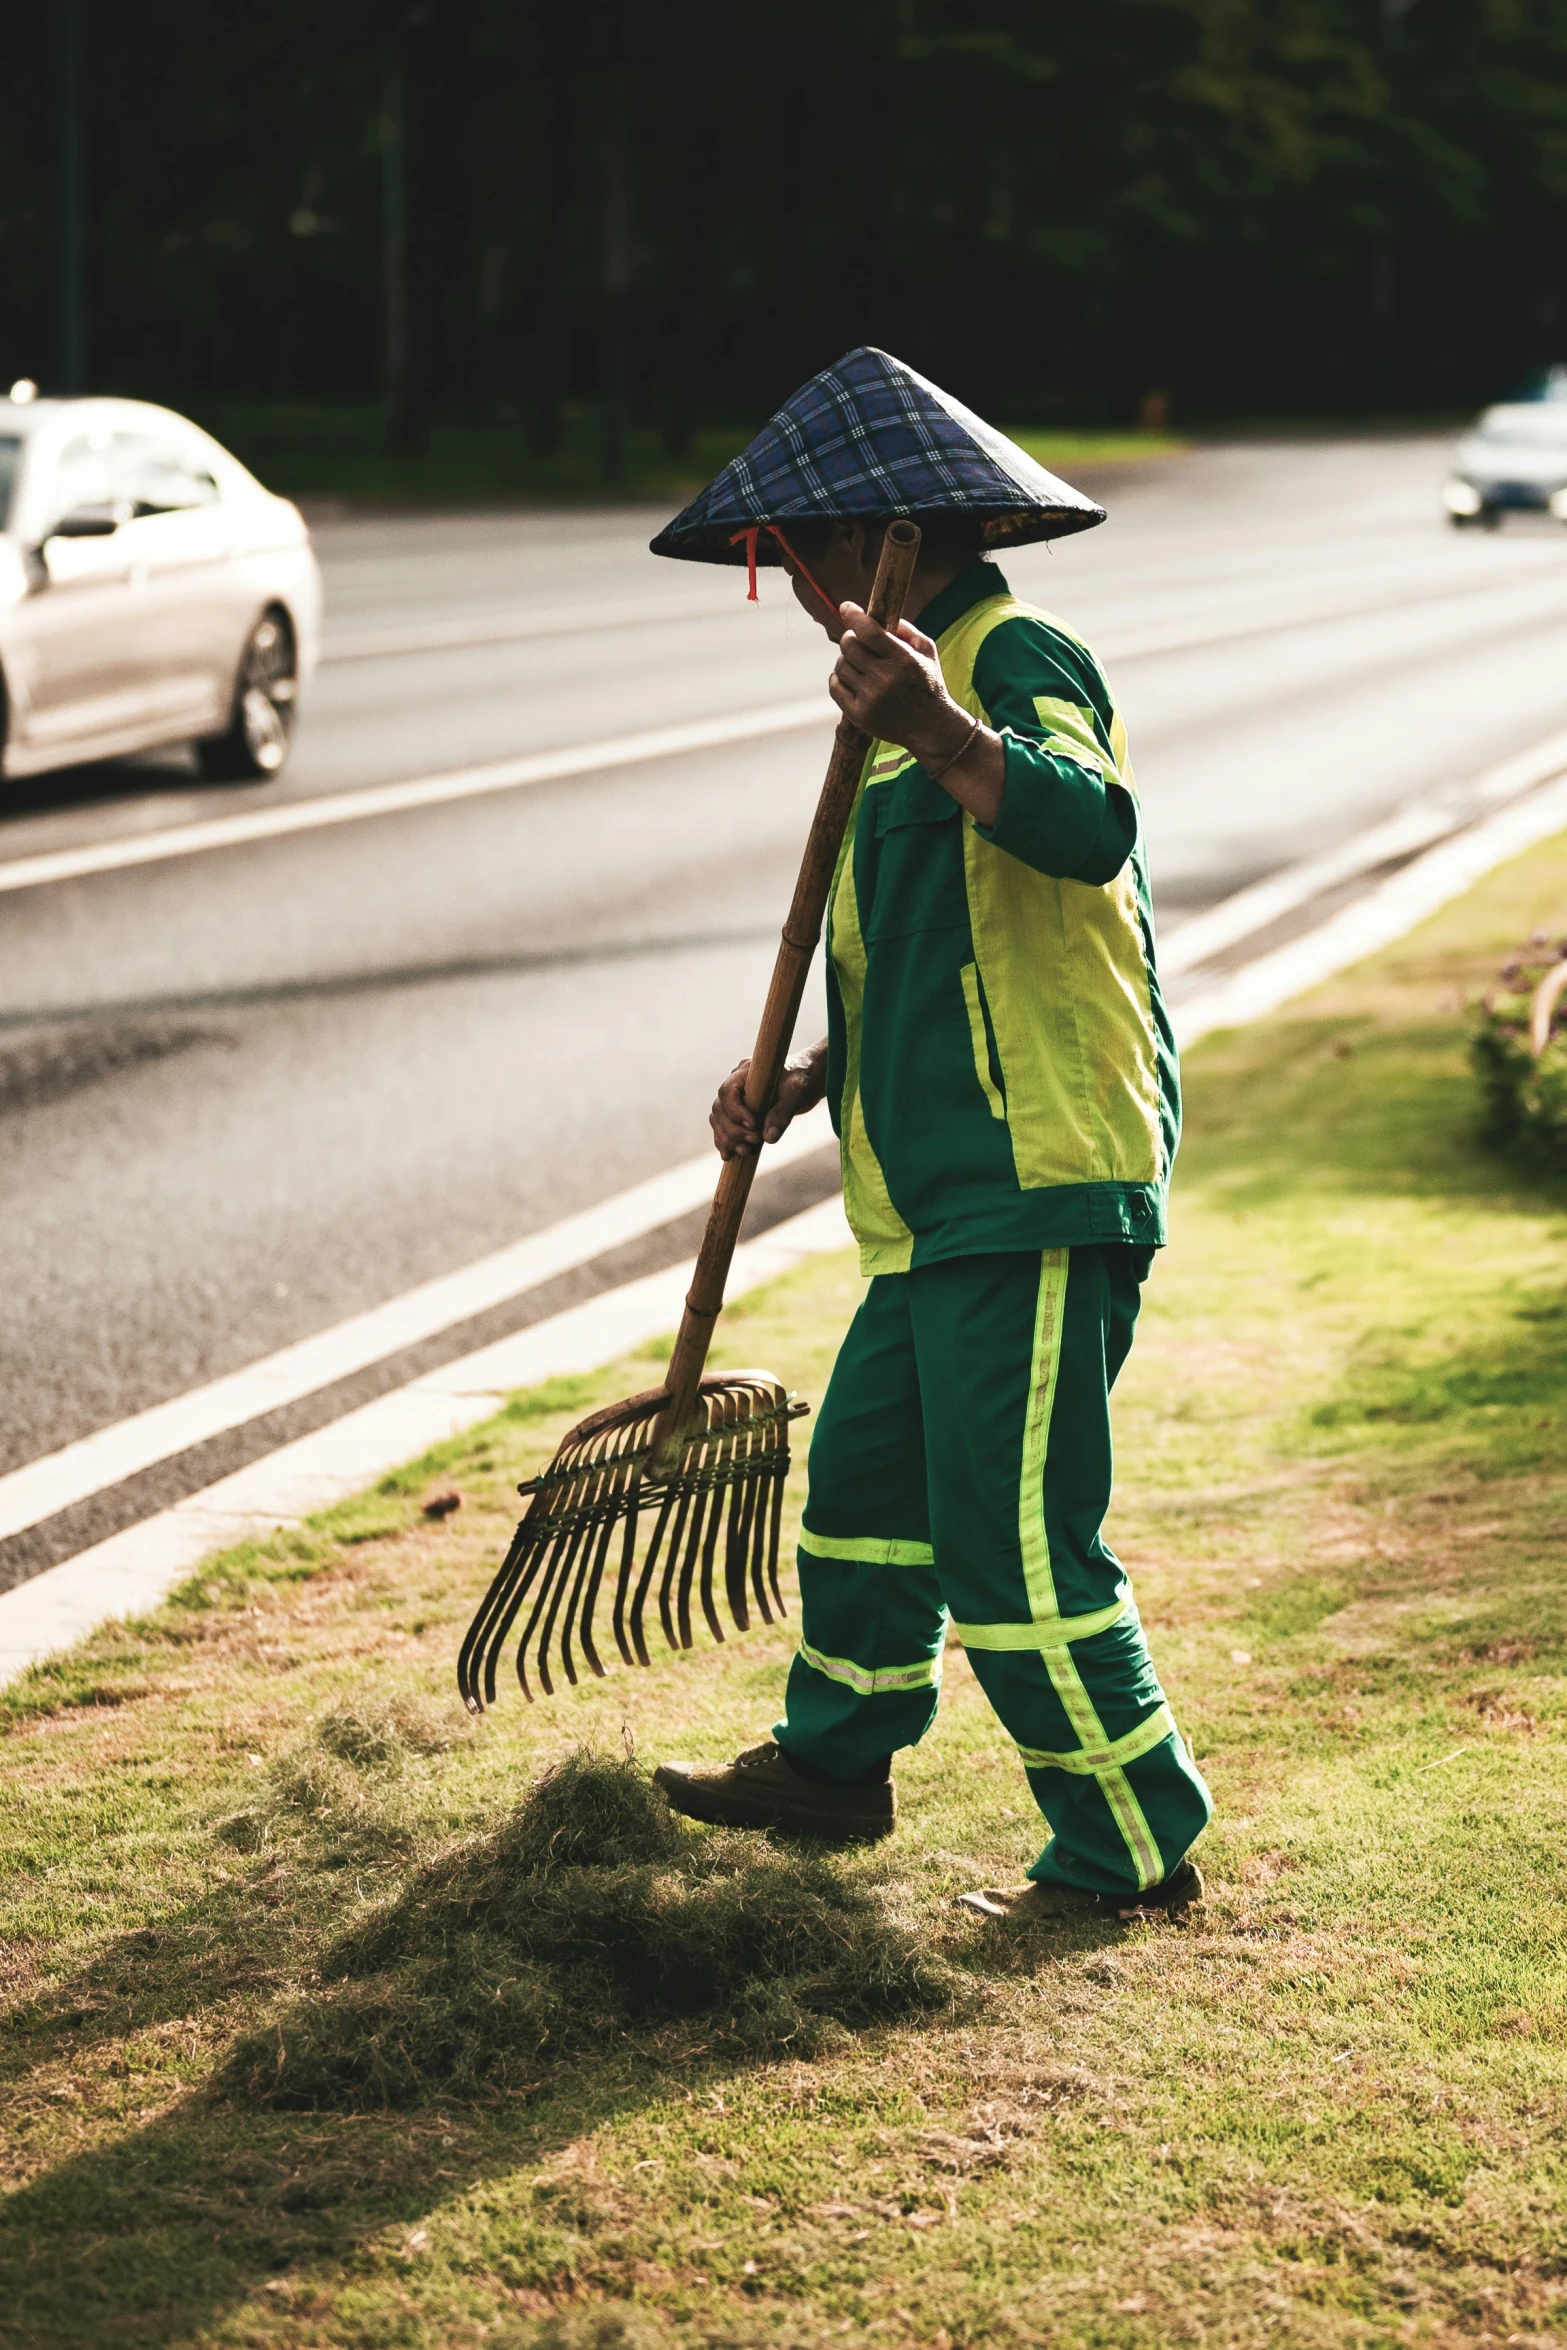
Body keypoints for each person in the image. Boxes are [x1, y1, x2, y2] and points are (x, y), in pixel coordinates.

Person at [646, 349, 1212, 1922]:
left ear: (876, 539)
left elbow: (1086, 824)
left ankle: (1127, 1845)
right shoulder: (889, 700)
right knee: (864, 1491)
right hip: (932, 1199)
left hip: (1034, 1180)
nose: (799, 587)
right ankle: (833, 1769)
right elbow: (938, 949)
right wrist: (806, 1075)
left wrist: (944, 728)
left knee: (1015, 1546)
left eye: (796, 551)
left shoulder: (1013, 654)